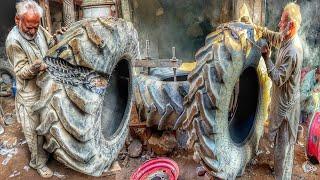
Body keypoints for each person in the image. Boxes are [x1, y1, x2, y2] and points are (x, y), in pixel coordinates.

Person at [5, 0, 55, 178]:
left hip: (45, 87)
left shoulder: (37, 27)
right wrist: (34, 68)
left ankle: (48, 155)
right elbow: (19, 72)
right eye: (28, 28)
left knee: (47, 125)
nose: (33, 31)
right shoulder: (13, 41)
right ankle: (38, 163)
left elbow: (50, 41)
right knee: (34, 131)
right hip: (29, 93)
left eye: (36, 26)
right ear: (17, 19)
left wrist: (57, 37)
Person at [255, 2, 303, 180]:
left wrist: (267, 58)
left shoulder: (293, 51)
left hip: (286, 108)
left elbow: (277, 78)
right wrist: (258, 29)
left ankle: (282, 176)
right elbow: (276, 37)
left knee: (284, 148)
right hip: (283, 100)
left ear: (291, 26)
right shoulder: (287, 39)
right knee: (280, 147)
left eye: (282, 22)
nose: (279, 25)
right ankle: (280, 173)